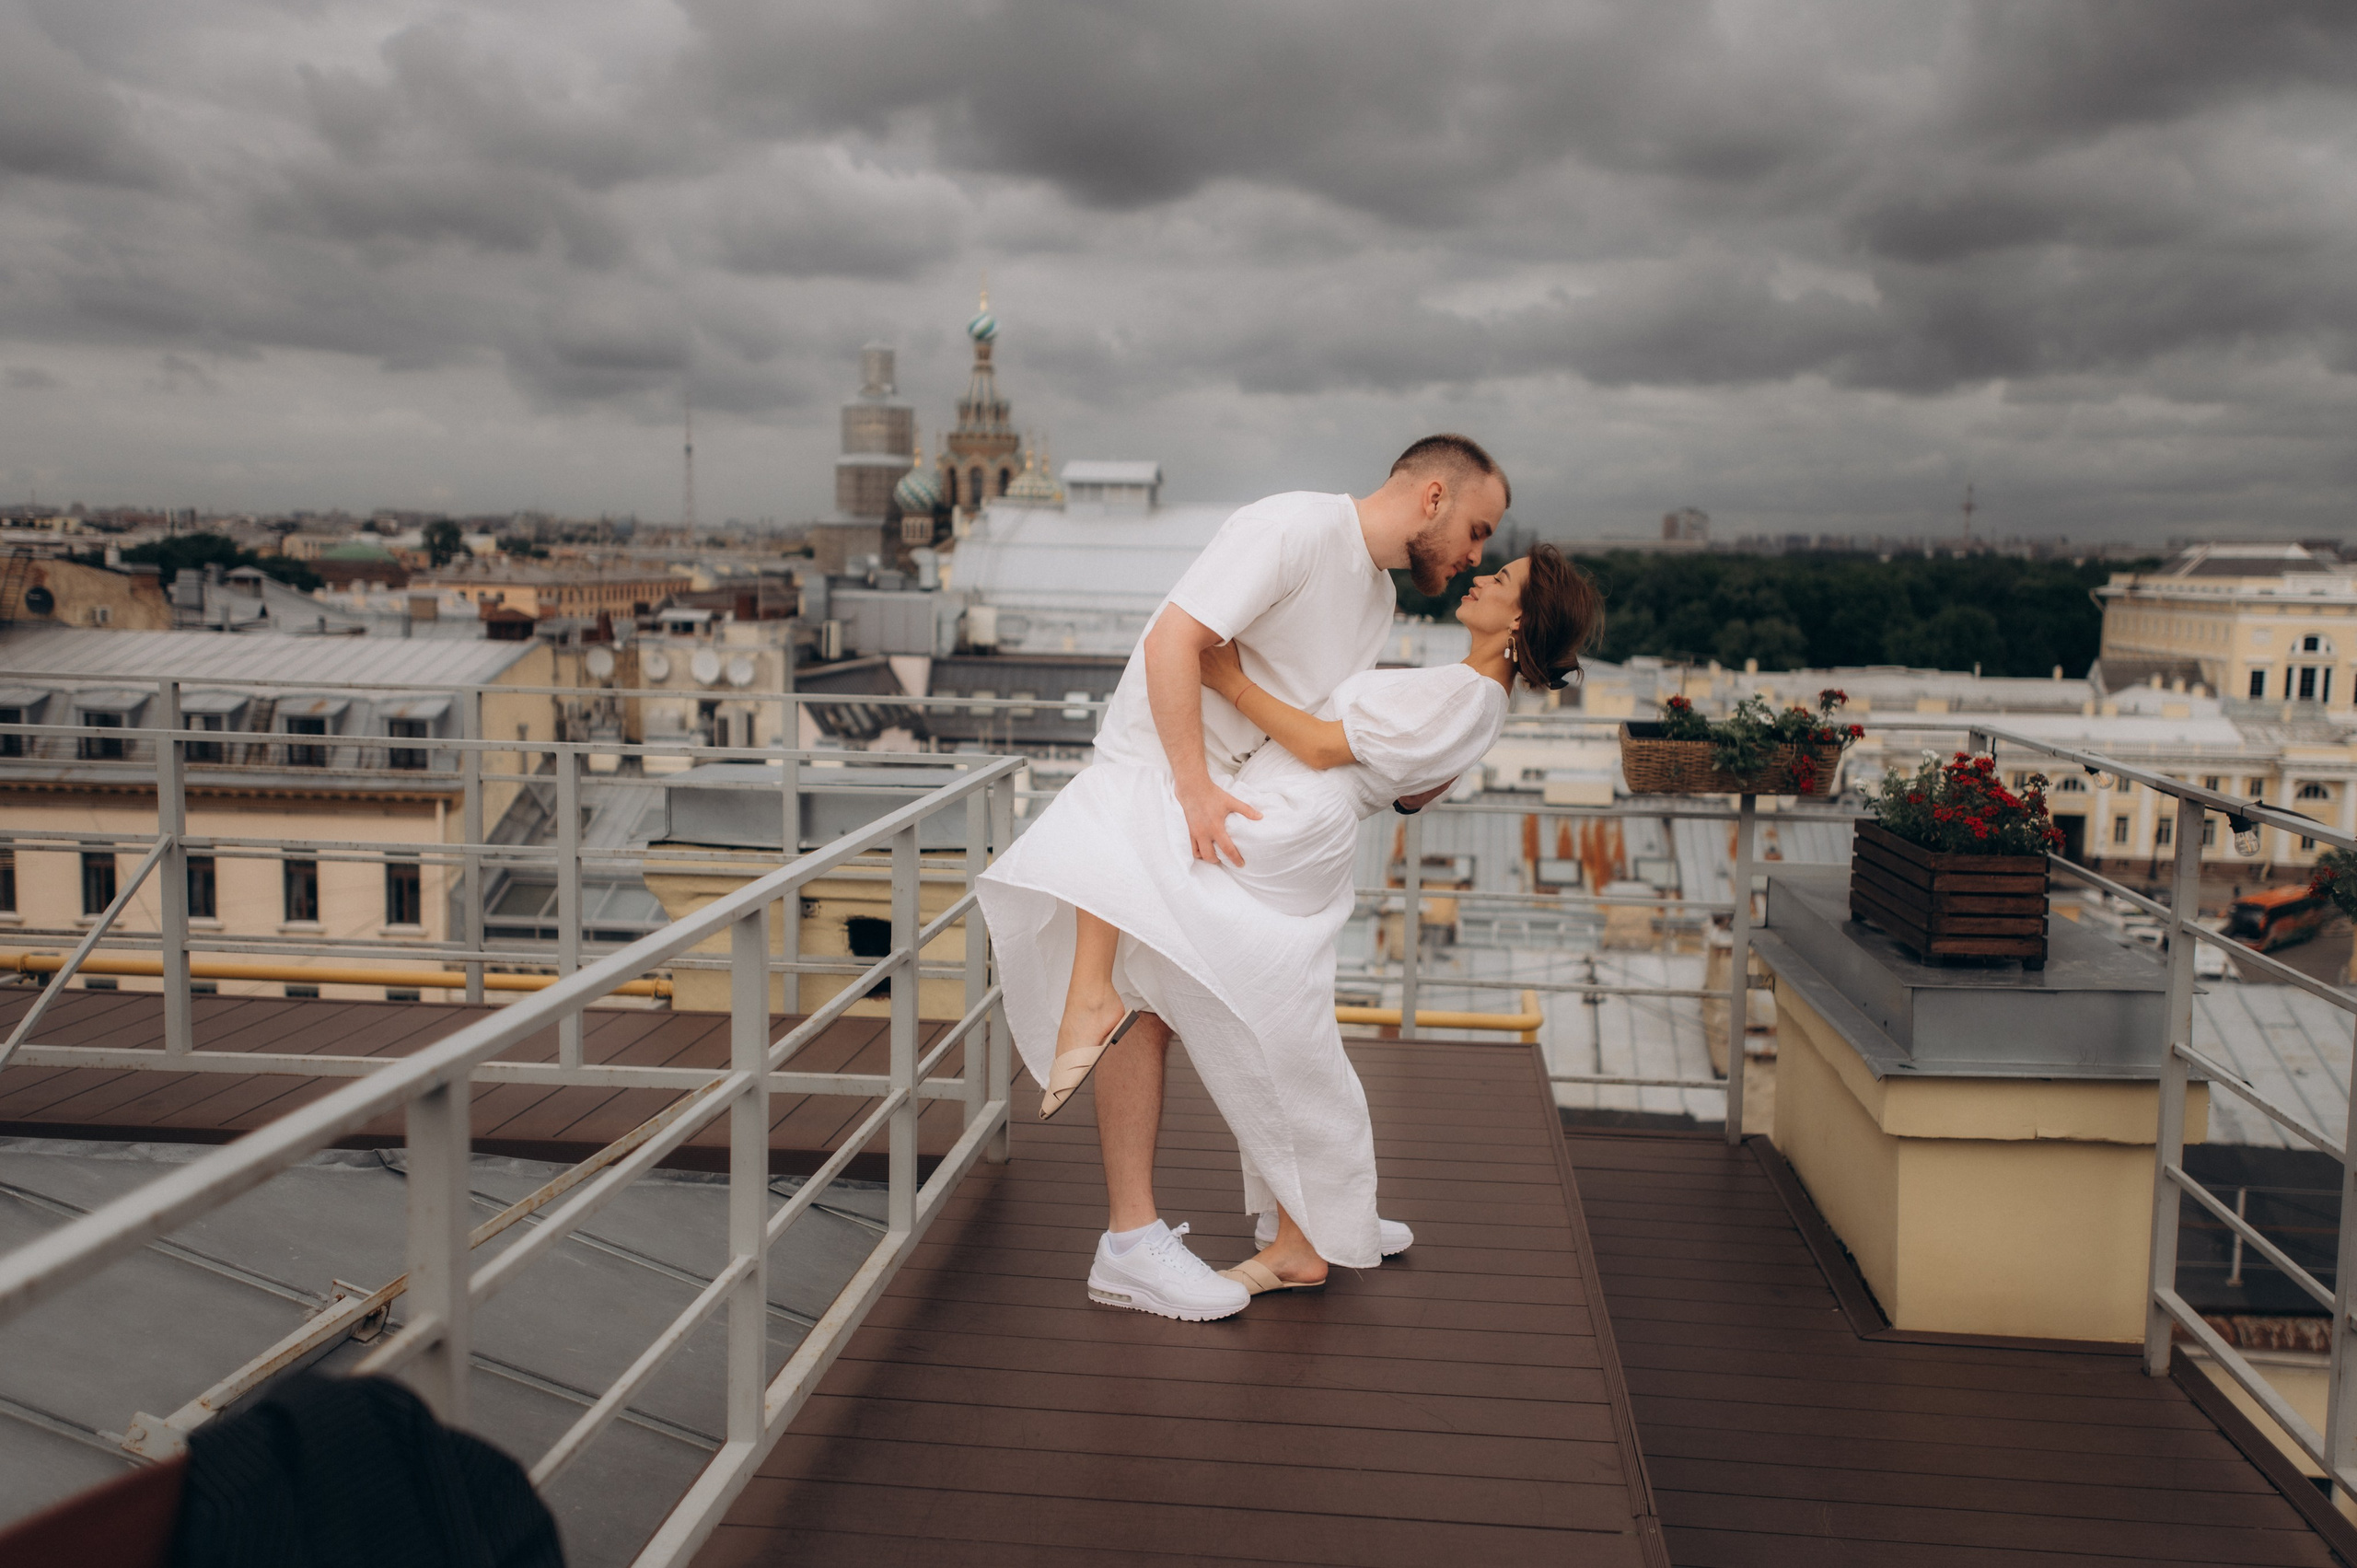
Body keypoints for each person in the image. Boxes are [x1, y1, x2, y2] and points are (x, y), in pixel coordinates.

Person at [984, 544, 1600, 1312]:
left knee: (1116, 802)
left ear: (1519, 619)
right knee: (1285, 1016)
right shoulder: (1475, 697)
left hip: (1290, 821)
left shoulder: (1468, 693)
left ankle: (1096, 1005)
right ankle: (1321, 1216)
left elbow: (1319, 746)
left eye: (1500, 578)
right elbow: (1408, 794)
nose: (1481, 576)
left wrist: (1226, 678)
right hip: (1304, 823)